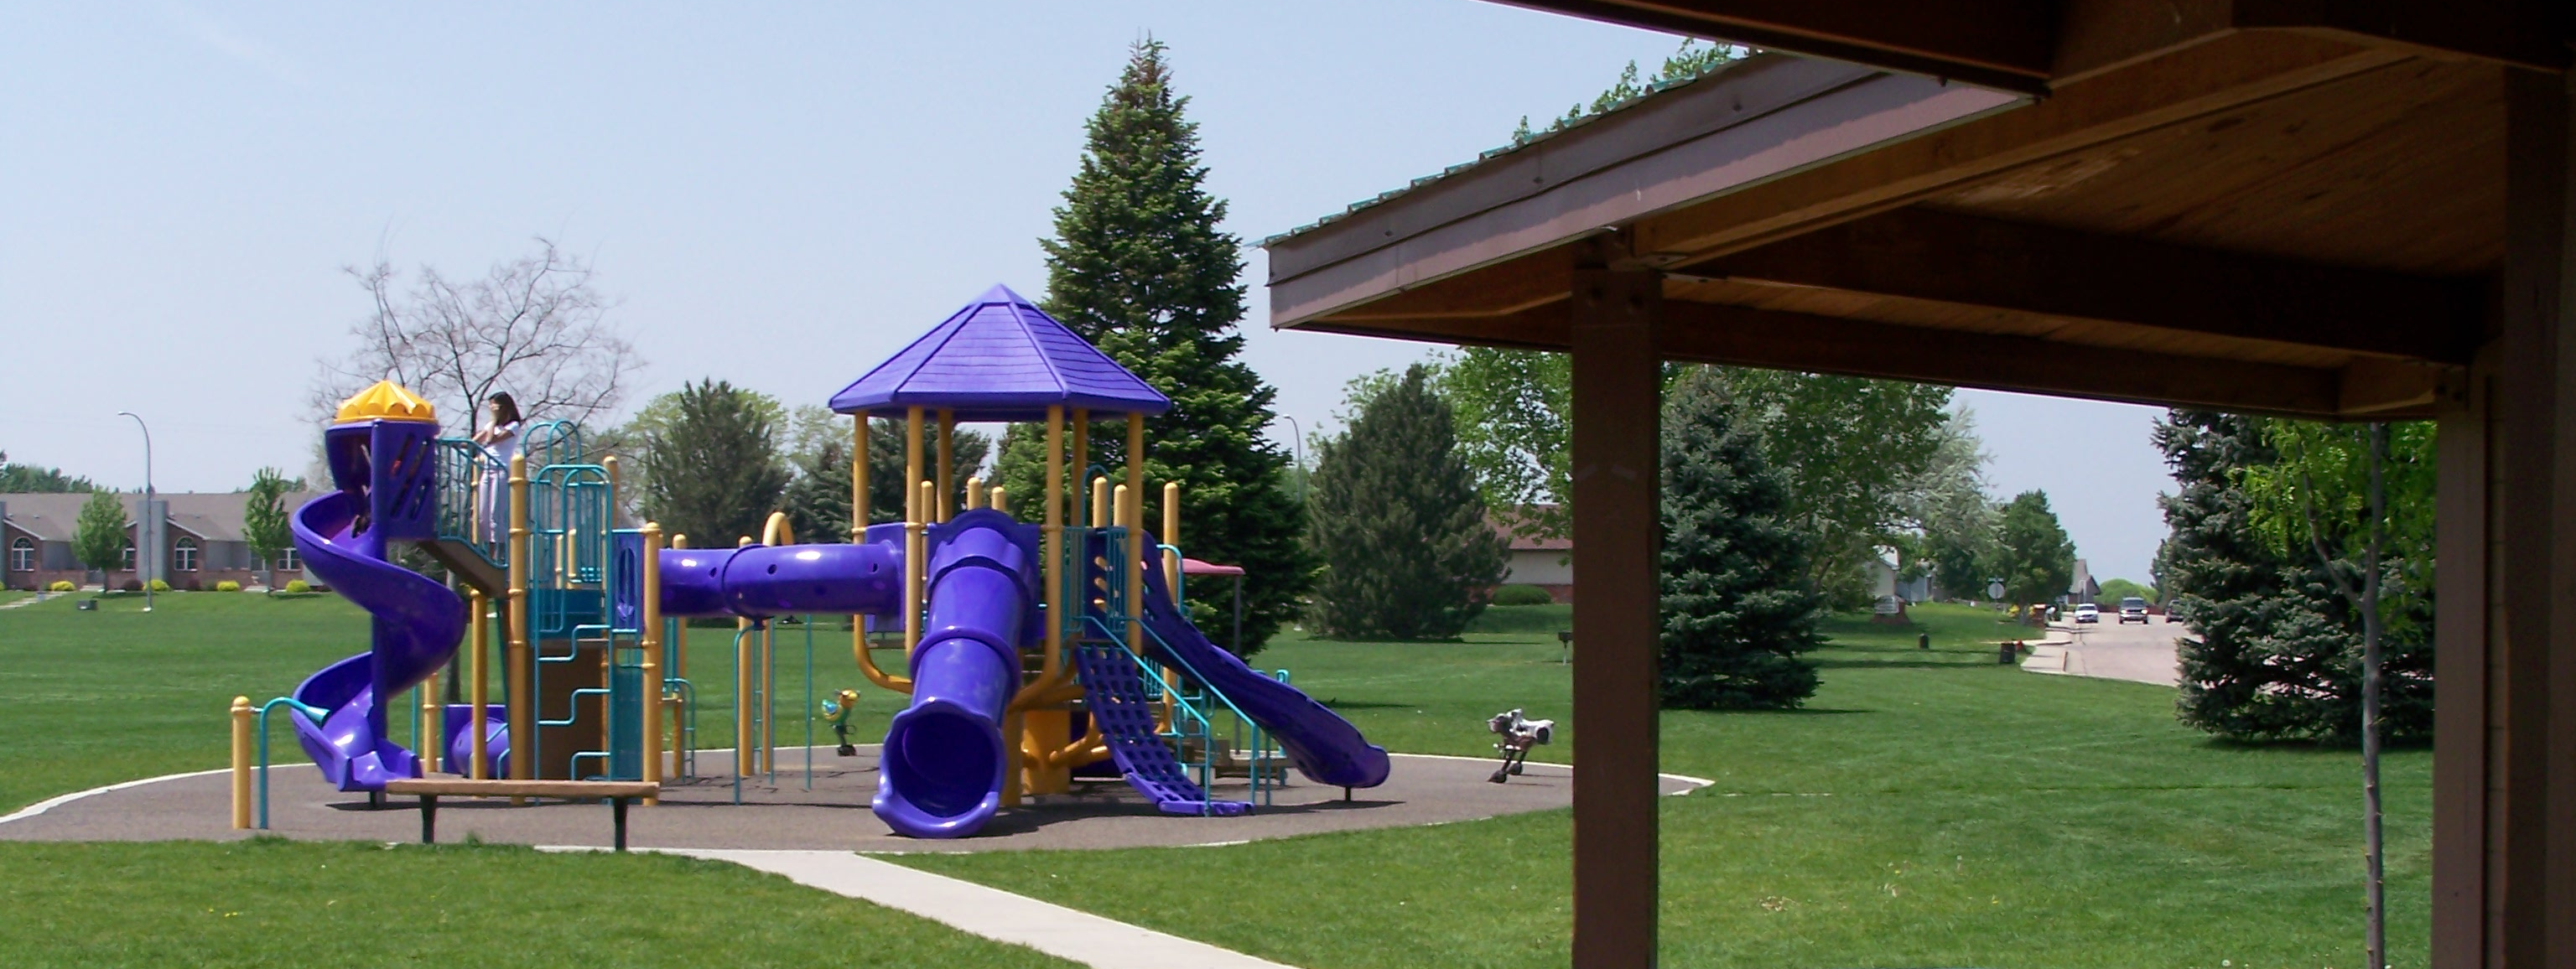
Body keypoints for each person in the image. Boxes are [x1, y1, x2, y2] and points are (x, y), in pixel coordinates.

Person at [472, 393, 522, 544]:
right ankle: (488, 548)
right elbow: (473, 442)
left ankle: (499, 551)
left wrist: (493, 420)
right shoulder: (490, 426)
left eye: (494, 406)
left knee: (495, 514)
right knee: (482, 515)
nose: (491, 410)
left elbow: (491, 439)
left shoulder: (513, 426)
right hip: (487, 470)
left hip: (501, 470)